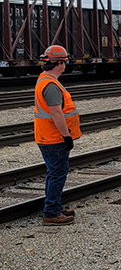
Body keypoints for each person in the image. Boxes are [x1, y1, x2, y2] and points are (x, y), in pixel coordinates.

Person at [34, 45, 82, 226]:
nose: (65, 65)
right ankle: (52, 212)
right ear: (59, 63)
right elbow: (56, 113)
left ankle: (54, 205)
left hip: (47, 136)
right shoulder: (51, 85)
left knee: (53, 172)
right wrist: (66, 136)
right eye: (65, 62)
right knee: (57, 173)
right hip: (54, 137)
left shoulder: (45, 79)